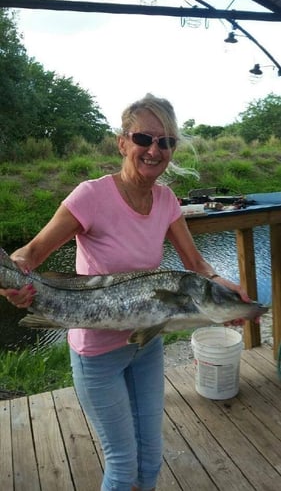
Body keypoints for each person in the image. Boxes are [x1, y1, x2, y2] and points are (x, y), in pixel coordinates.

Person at [0, 93, 249, 491]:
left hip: (145, 346)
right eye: (144, 139)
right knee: (121, 463)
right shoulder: (90, 196)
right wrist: (11, 282)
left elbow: (196, 265)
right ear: (122, 142)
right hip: (96, 356)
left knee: (150, 458)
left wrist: (223, 289)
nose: (155, 150)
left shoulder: (166, 199)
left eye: (166, 142)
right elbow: (30, 255)